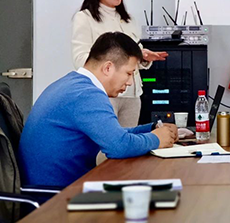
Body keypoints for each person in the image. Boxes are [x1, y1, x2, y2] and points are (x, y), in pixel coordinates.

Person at [18, 32, 177, 188]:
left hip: (54, 188)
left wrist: (151, 129)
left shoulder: (73, 84)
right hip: (54, 196)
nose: (130, 82)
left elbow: (112, 134)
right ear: (108, 68)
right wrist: (156, 139)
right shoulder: (87, 94)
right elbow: (119, 146)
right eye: (129, 73)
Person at [72, 0, 168, 127]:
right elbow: (80, 60)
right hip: (103, 94)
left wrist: (142, 56)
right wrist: (110, 62)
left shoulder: (129, 19)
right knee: (106, 142)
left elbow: (129, 57)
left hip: (132, 95)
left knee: (128, 140)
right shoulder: (85, 18)